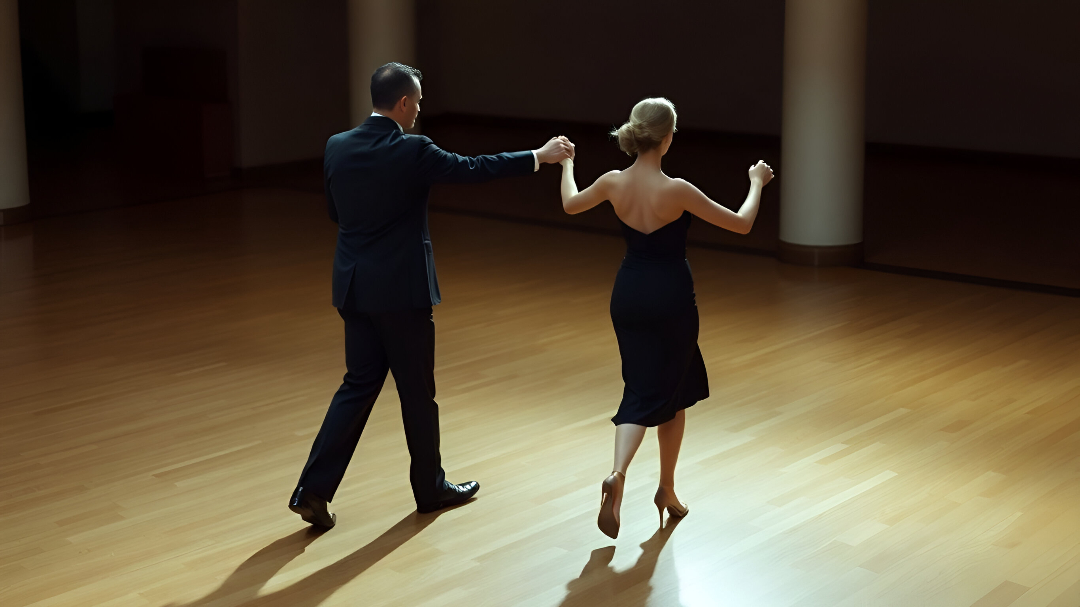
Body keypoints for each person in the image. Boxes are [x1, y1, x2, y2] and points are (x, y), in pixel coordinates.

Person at [289, 62, 575, 528]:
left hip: (354, 287)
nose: (420, 109)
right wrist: (538, 156)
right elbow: (473, 169)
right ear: (403, 103)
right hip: (402, 293)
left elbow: (335, 213)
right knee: (418, 394)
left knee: (357, 386)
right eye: (418, 101)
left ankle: (312, 489)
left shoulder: (336, 146)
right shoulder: (412, 150)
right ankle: (430, 489)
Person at [557, 98, 773, 538]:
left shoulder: (613, 183)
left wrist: (566, 165)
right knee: (664, 390)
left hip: (628, 296)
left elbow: (570, 204)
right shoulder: (677, 190)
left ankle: (656, 488)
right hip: (672, 300)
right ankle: (630, 479)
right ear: (668, 137)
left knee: (657, 389)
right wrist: (756, 183)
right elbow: (742, 223)